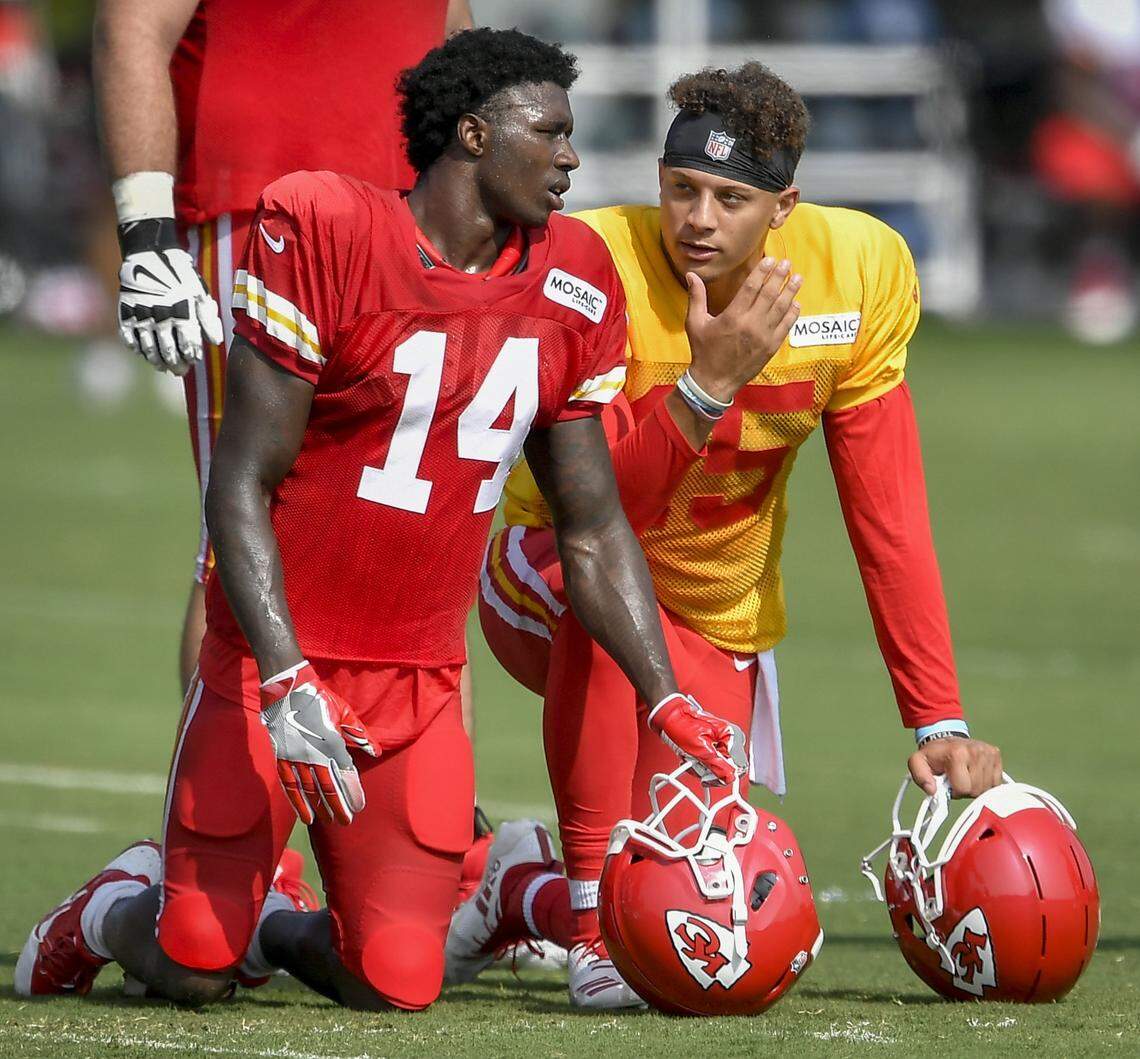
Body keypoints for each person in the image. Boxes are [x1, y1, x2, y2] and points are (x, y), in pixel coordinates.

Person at [16, 28, 746, 1013]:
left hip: (418, 684)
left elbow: (592, 524)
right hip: (273, 665)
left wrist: (661, 694)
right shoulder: (327, 228)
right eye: (552, 131)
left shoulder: (573, 275)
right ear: (474, 135)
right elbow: (240, 486)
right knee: (192, 963)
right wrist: (280, 677)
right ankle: (108, 911)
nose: (572, 156)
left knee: (397, 981)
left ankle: (270, 931)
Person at [452, 61, 1005, 1008]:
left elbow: (890, 518)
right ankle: (587, 928)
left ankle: (519, 886)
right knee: (607, 603)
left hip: (716, 611)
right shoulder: (592, 261)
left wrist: (938, 716)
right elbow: (596, 517)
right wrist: (704, 389)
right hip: (547, 567)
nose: (697, 220)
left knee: (702, 911)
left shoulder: (860, 270)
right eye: (681, 189)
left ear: (784, 205)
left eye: (731, 197)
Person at [93, 0, 473, 694]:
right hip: (261, 207)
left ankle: (426, 796)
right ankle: (224, 796)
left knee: (420, 532)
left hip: (414, 214)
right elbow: (133, 25)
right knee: (245, 521)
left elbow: (450, 33)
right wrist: (146, 232)